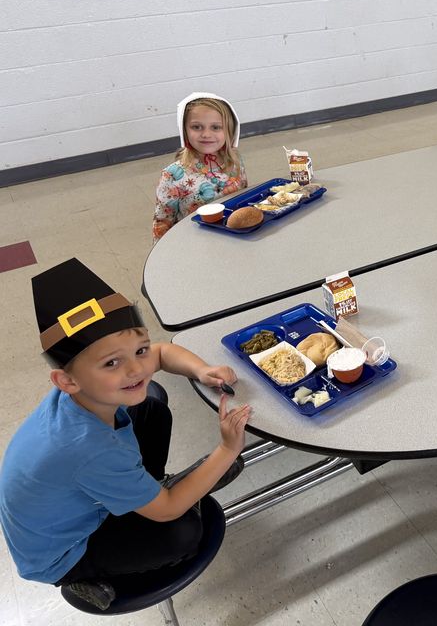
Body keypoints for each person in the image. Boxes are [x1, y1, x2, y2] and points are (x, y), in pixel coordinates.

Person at [0, 259, 251, 610]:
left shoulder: (79, 395)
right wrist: (226, 449)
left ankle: (148, 488)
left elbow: (161, 353)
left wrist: (202, 368)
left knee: (151, 407)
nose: (136, 368)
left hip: (71, 500)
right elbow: (165, 512)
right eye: (111, 363)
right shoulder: (89, 448)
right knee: (183, 533)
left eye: (139, 350)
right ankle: (82, 577)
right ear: (66, 381)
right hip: (65, 549)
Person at [152, 93, 247, 242]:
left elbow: (244, 199)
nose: (206, 134)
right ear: (184, 130)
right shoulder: (172, 175)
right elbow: (162, 225)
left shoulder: (235, 161)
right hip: (194, 244)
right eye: (196, 127)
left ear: (229, 131)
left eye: (216, 127)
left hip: (233, 238)